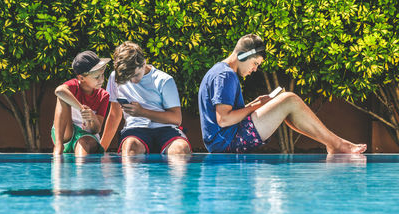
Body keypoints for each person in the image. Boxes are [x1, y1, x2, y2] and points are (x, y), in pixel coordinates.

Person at [198, 34, 367, 154]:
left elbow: (225, 116)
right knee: (290, 100)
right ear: (243, 55)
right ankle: (336, 144)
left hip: (227, 139)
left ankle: (332, 144)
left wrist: (254, 104)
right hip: (228, 143)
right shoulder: (225, 75)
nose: (255, 69)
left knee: (287, 104)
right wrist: (256, 106)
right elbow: (224, 119)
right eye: (255, 63)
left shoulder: (223, 72)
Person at [100, 41, 191, 155]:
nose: (133, 81)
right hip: (135, 129)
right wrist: (101, 149)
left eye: (136, 75)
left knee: (181, 149)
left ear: (144, 63)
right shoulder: (116, 77)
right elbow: (114, 114)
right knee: (130, 147)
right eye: (129, 78)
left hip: (166, 129)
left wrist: (142, 112)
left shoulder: (164, 80)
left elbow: (176, 119)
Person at [52, 51, 110, 156]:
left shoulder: (103, 96)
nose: (102, 79)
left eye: (102, 75)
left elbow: (96, 129)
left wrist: (92, 117)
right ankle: (59, 145)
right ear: (81, 78)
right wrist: (81, 109)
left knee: (84, 143)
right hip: (66, 133)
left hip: (87, 135)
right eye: (97, 77)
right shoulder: (73, 86)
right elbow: (59, 91)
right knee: (62, 97)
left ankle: (81, 168)